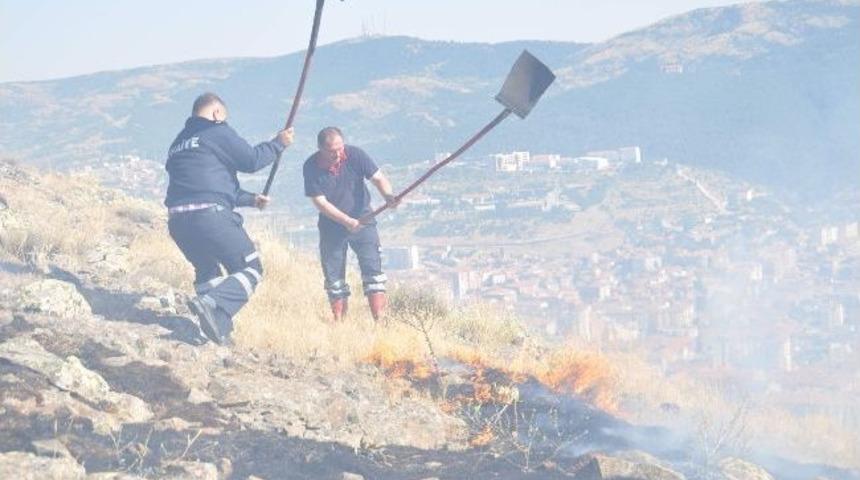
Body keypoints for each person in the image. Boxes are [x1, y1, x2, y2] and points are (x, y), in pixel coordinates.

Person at [165, 92, 294, 345]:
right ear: (216, 113)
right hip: (209, 217)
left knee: (208, 270)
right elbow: (251, 160)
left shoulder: (178, 143)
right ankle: (213, 305)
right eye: (223, 117)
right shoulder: (216, 131)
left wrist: (250, 199)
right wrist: (278, 143)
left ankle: (216, 331)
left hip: (178, 222)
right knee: (250, 269)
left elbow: (207, 182)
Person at [303, 127, 398, 322]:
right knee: (334, 275)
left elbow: (379, 178)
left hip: (363, 217)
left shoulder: (355, 155)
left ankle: (379, 320)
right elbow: (320, 202)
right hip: (331, 224)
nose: (338, 153)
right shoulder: (310, 166)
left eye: (340, 148)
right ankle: (340, 322)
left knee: (373, 269)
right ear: (320, 149)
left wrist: (388, 196)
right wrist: (346, 221)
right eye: (332, 151)